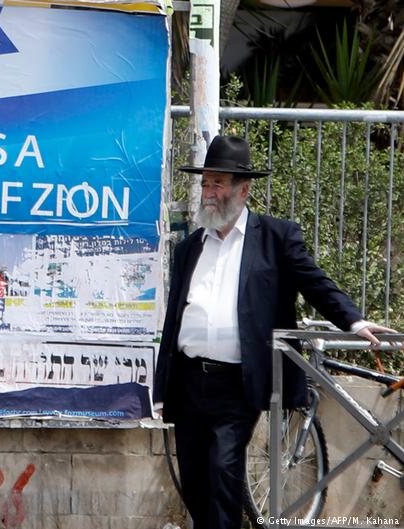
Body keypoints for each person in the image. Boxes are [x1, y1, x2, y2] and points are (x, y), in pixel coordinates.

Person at [153, 135, 396, 529]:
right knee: (196, 482)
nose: (208, 193)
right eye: (205, 184)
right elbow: (174, 321)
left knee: (224, 472)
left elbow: (316, 283)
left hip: (237, 384)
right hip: (189, 381)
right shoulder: (191, 247)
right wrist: (164, 384)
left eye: (217, 184)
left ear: (242, 189)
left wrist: (354, 320)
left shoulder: (275, 238)